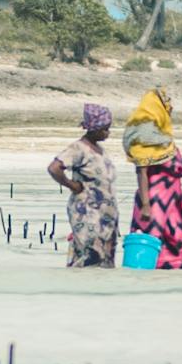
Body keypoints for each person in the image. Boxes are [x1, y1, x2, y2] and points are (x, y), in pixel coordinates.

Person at [122, 88, 182, 269]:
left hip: (173, 202)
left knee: (176, 240)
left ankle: (173, 276)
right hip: (154, 202)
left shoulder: (163, 138)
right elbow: (142, 172)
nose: (170, 109)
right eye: (167, 104)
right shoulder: (144, 137)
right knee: (152, 240)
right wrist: (146, 206)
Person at [47, 102, 120, 267]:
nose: (108, 133)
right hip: (88, 214)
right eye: (105, 129)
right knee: (88, 258)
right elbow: (54, 168)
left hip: (106, 218)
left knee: (105, 263)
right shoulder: (78, 148)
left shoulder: (100, 150)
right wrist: (72, 185)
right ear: (94, 128)